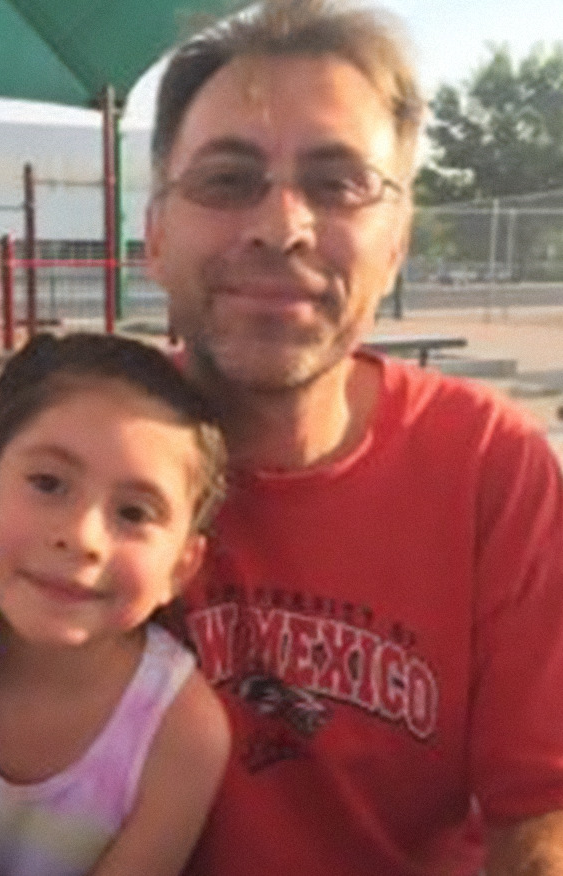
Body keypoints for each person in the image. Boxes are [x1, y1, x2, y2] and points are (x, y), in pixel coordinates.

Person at [145, 1, 563, 874]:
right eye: (227, 178)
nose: (281, 224)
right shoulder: (69, 457)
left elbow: (542, 820)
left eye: (338, 184)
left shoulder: (491, 467)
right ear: (155, 235)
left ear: (398, 241)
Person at [0, 332, 230, 876]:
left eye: (133, 513)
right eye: (47, 483)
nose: (81, 536)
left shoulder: (180, 732)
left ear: (180, 567)